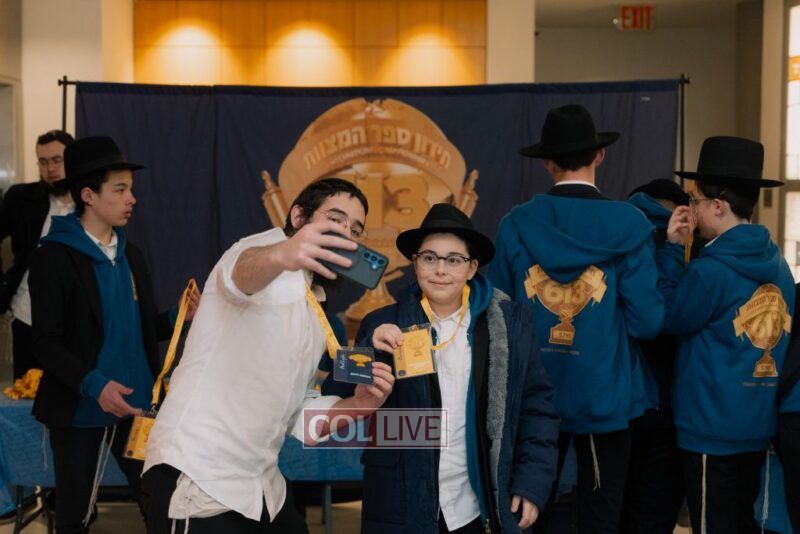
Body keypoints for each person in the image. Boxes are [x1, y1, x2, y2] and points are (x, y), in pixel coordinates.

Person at [142, 177, 395, 534]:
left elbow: (299, 417)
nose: (345, 234)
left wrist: (358, 405)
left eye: (355, 229)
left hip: (262, 486)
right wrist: (282, 254)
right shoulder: (255, 251)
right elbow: (239, 277)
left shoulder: (314, 305)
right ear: (298, 216)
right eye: (335, 219)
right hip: (199, 476)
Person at [323, 203, 559, 533]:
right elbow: (335, 393)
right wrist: (369, 348)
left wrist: (531, 483)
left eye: (453, 260)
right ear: (415, 262)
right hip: (401, 502)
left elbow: (537, 409)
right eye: (429, 258)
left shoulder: (508, 327)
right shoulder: (382, 322)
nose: (440, 270)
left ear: (471, 267)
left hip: (478, 504)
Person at [488, 104, 664, 534]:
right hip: (605, 392)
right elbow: (647, 322)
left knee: (530, 509)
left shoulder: (516, 224)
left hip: (533, 393)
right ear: (599, 155)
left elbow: (498, 315)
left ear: (547, 162)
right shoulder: (631, 225)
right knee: (602, 516)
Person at [28, 136, 191, 533]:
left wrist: (181, 316)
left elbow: (143, 328)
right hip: (80, 407)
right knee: (75, 516)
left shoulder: (131, 254)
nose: (131, 199)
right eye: (119, 190)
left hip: (138, 407)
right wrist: (96, 385)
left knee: (160, 504)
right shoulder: (54, 256)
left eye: (130, 189)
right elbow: (45, 342)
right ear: (88, 195)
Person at [657, 136, 794, 533]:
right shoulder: (779, 265)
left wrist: (673, 250)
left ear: (718, 206)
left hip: (708, 429)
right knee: (742, 523)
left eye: (695, 200)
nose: (691, 207)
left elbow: (669, 317)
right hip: (757, 424)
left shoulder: (710, 270)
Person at [621, 179, 691, 534]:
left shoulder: (617, 237)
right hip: (667, 399)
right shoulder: (689, 245)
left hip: (616, 396)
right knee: (653, 511)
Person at [0, 130, 75, 378]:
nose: (50, 169)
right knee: (26, 391)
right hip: (26, 316)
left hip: (75, 322)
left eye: (57, 160)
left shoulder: (91, 203)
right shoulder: (21, 199)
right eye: (43, 162)